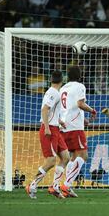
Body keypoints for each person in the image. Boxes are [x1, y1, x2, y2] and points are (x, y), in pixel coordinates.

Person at [26, 70, 70, 199]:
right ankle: (32, 185)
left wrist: (59, 121)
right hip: (49, 129)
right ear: (62, 81)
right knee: (51, 161)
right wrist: (46, 127)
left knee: (66, 157)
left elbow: (50, 111)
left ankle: (55, 186)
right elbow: (45, 109)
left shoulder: (54, 92)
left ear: (51, 80)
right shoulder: (53, 93)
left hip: (55, 127)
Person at [59, 66, 97, 197]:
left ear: (67, 76)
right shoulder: (80, 86)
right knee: (83, 155)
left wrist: (83, 119)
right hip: (75, 127)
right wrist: (92, 110)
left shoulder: (63, 88)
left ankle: (66, 186)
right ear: (80, 76)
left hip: (64, 126)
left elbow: (70, 107)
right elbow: (80, 104)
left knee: (73, 157)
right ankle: (67, 185)